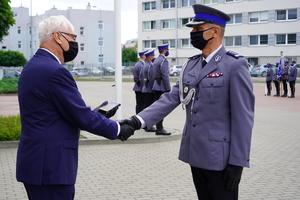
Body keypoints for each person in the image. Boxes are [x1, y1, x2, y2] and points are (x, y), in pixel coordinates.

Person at [121, 4, 254, 200]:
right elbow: (170, 98)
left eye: (198, 29)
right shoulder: (191, 64)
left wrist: (238, 162)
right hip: (196, 154)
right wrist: (136, 121)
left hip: (222, 159)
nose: (192, 33)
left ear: (215, 31)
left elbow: (244, 119)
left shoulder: (234, 65)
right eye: (192, 29)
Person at [16, 15, 134, 200]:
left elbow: (54, 113)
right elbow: (81, 116)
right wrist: (118, 129)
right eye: (72, 38)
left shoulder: (32, 66)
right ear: (57, 37)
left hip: (36, 164)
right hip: (51, 167)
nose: (74, 43)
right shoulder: (55, 71)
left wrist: (94, 115)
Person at [152, 43, 171, 135]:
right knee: (161, 108)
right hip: (162, 87)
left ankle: (158, 127)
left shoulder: (156, 60)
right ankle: (160, 128)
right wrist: (168, 88)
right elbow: (165, 75)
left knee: (157, 107)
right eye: (167, 50)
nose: (167, 52)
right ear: (164, 51)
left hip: (156, 86)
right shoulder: (164, 61)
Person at [141, 49, 156, 132]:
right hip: (149, 90)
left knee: (146, 107)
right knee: (150, 109)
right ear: (151, 57)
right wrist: (154, 89)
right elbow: (152, 79)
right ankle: (149, 126)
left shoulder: (144, 65)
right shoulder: (150, 66)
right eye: (153, 56)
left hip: (144, 88)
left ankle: (145, 125)